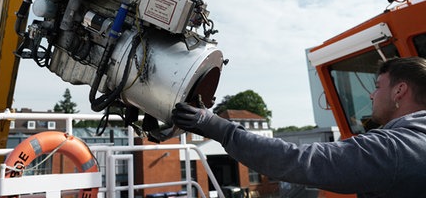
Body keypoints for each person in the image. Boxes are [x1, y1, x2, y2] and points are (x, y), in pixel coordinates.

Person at [171, 57, 426, 198]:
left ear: (399, 91)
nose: (371, 95)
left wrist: (219, 128)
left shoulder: (395, 147)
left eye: (378, 86)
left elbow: (301, 160)